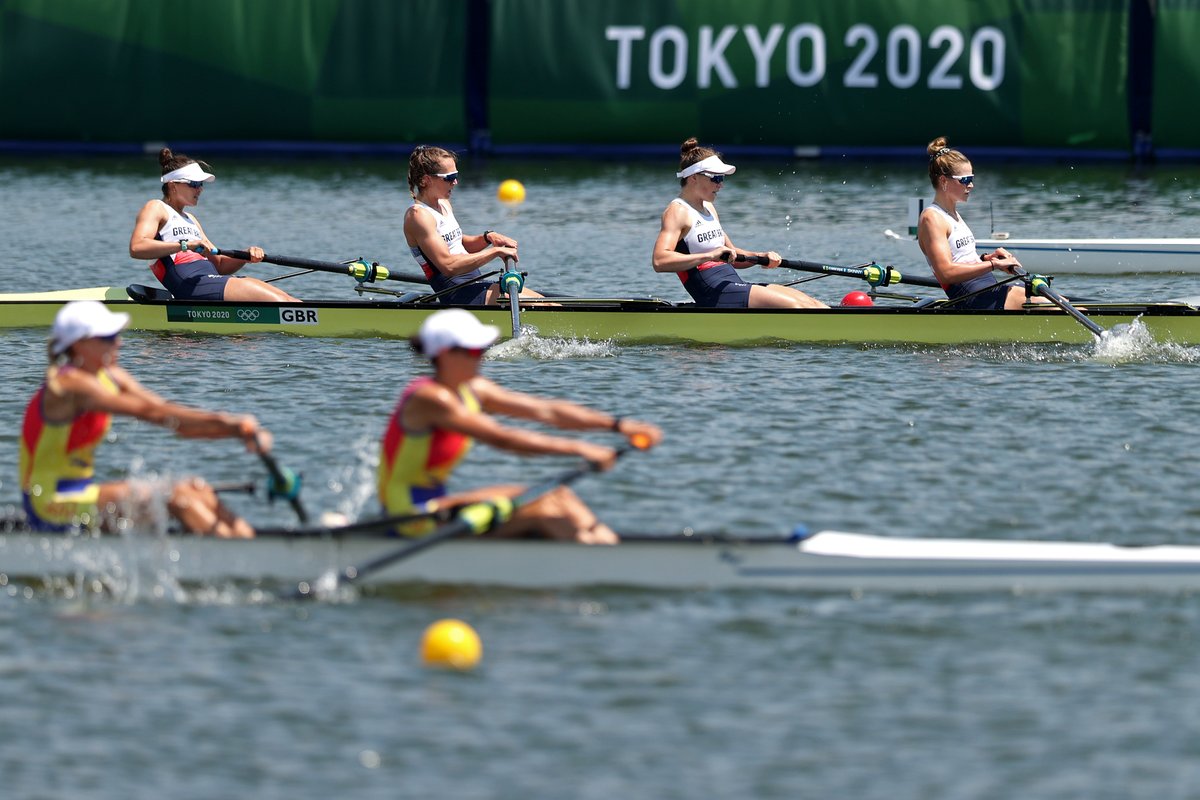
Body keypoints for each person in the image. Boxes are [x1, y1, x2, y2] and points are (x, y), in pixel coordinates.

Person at [378, 308, 662, 544]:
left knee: (558, 494)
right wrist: (582, 449)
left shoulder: (472, 389)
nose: (481, 357)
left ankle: (602, 545)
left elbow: (547, 410)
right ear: (445, 354)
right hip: (409, 517)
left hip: (436, 506)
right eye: (474, 351)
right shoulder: (432, 398)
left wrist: (620, 426)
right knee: (546, 507)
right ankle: (602, 562)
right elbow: (504, 439)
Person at [19, 301, 272, 537]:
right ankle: (243, 565)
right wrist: (231, 425)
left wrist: (239, 430)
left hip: (82, 493)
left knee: (198, 490)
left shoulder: (111, 375)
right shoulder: (69, 384)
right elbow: (152, 414)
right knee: (176, 499)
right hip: (49, 503)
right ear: (78, 345)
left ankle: (253, 550)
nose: (118, 343)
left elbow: (170, 416)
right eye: (107, 337)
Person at [652, 138, 826, 309]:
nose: (720, 185)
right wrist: (710, 255)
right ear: (693, 178)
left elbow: (733, 256)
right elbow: (660, 261)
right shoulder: (677, 211)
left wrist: (760, 257)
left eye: (722, 178)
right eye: (716, 178)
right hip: (713, 294)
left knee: (814, 305)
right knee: (798, 307)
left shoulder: (709, 208)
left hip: (732, 286)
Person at [129, 148, 299, 302]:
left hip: (208, 280)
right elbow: (137, 247)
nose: (200, 189)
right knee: (281, 302)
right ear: (173, 185)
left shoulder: (190, 219)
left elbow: (219, 265)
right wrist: (185, 245)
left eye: (200, 184)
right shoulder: (156, 208)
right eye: (194, 184)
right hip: (189, 284)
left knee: (287, 299)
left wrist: (245, 255)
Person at [918, 136, 1050, 310]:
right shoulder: (932, 218)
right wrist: (994, 265)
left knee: (1062, 303)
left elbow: (963, 258)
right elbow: (946, 273)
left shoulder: (953, 214)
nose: (971, 185)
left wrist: (986, 259)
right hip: (974, 300)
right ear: (943, 181)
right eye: (964, 180)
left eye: (971, 178)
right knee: (1054, 306)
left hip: (987, 290)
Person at [404, 145, 546, 305]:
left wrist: (487, 238)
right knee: (545, 307)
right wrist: (495, 252)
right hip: (458, 296)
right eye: (449, 177)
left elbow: (458, 243)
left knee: (548, 303)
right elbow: (448, 265)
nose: (455, 182)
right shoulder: (418, 216)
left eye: (456, 175)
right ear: (426, 180)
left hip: (474, 285)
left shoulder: (443, 203)